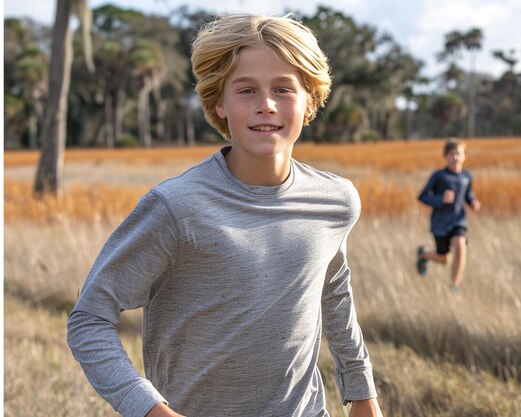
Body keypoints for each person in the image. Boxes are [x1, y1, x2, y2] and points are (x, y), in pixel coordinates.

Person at [67, 13, 382, 417]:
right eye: (246, 90)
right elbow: (89, 317)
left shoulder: (336, 201)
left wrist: (362, 393)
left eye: (284, 89)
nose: (266, 105)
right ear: (219, 102)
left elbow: (332, 290)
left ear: (310, 102)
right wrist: (148, 409)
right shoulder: (176, 207)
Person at [416, 138, 481, 294]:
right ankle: (424, 255)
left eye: (458, 154)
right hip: (440, 224)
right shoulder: (439, 176)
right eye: (451, 154)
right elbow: (422, 196)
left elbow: (468, 194)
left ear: (464, 156)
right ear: (445, 157)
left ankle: (454, 286)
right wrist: (440, 199)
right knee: (444, 259)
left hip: (458, 221)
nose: (455, 158)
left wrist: (473, 202)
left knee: (460, 244)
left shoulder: (467, 176)